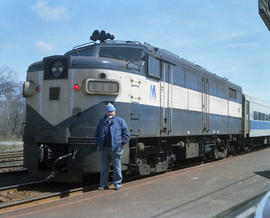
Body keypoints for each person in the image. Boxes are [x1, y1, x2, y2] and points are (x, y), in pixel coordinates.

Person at [95, 103, 130, 190]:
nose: (110, 113)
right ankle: (103, 185)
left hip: (116, 148)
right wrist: (98, 145)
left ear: (115, 112)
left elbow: (126, 134)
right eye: (109, 111)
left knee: (117, 167)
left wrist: (121, 144)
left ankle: (117, 184)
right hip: (104, 148)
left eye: (112, 111)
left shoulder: (120, 121)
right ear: (106, 112)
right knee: (104, 167)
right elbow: (97, 134)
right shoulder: (101, 122)